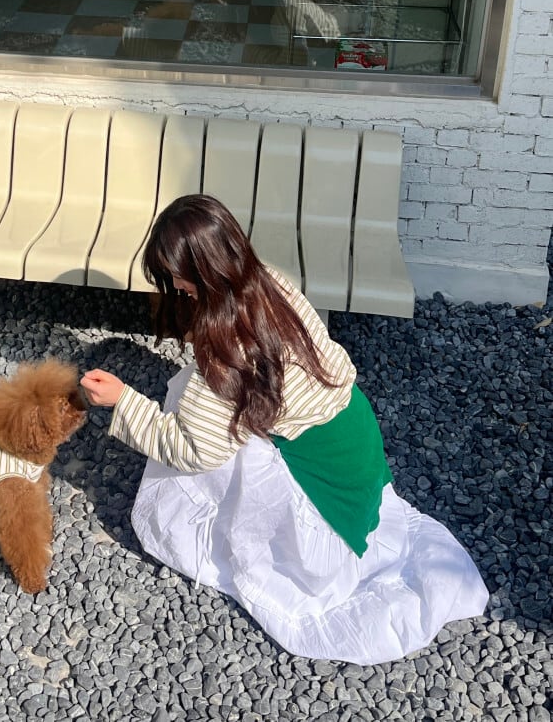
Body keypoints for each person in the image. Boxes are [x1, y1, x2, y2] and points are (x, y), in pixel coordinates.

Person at [80, 194, 488, 664]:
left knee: (205, 431)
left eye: (177, 275)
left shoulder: (223, 350)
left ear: (205, 272)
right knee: (195, 399)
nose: (175, 285)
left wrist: (123, 401)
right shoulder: (270, 282)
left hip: (326, 490)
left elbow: (194, 451)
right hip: (356, 443)